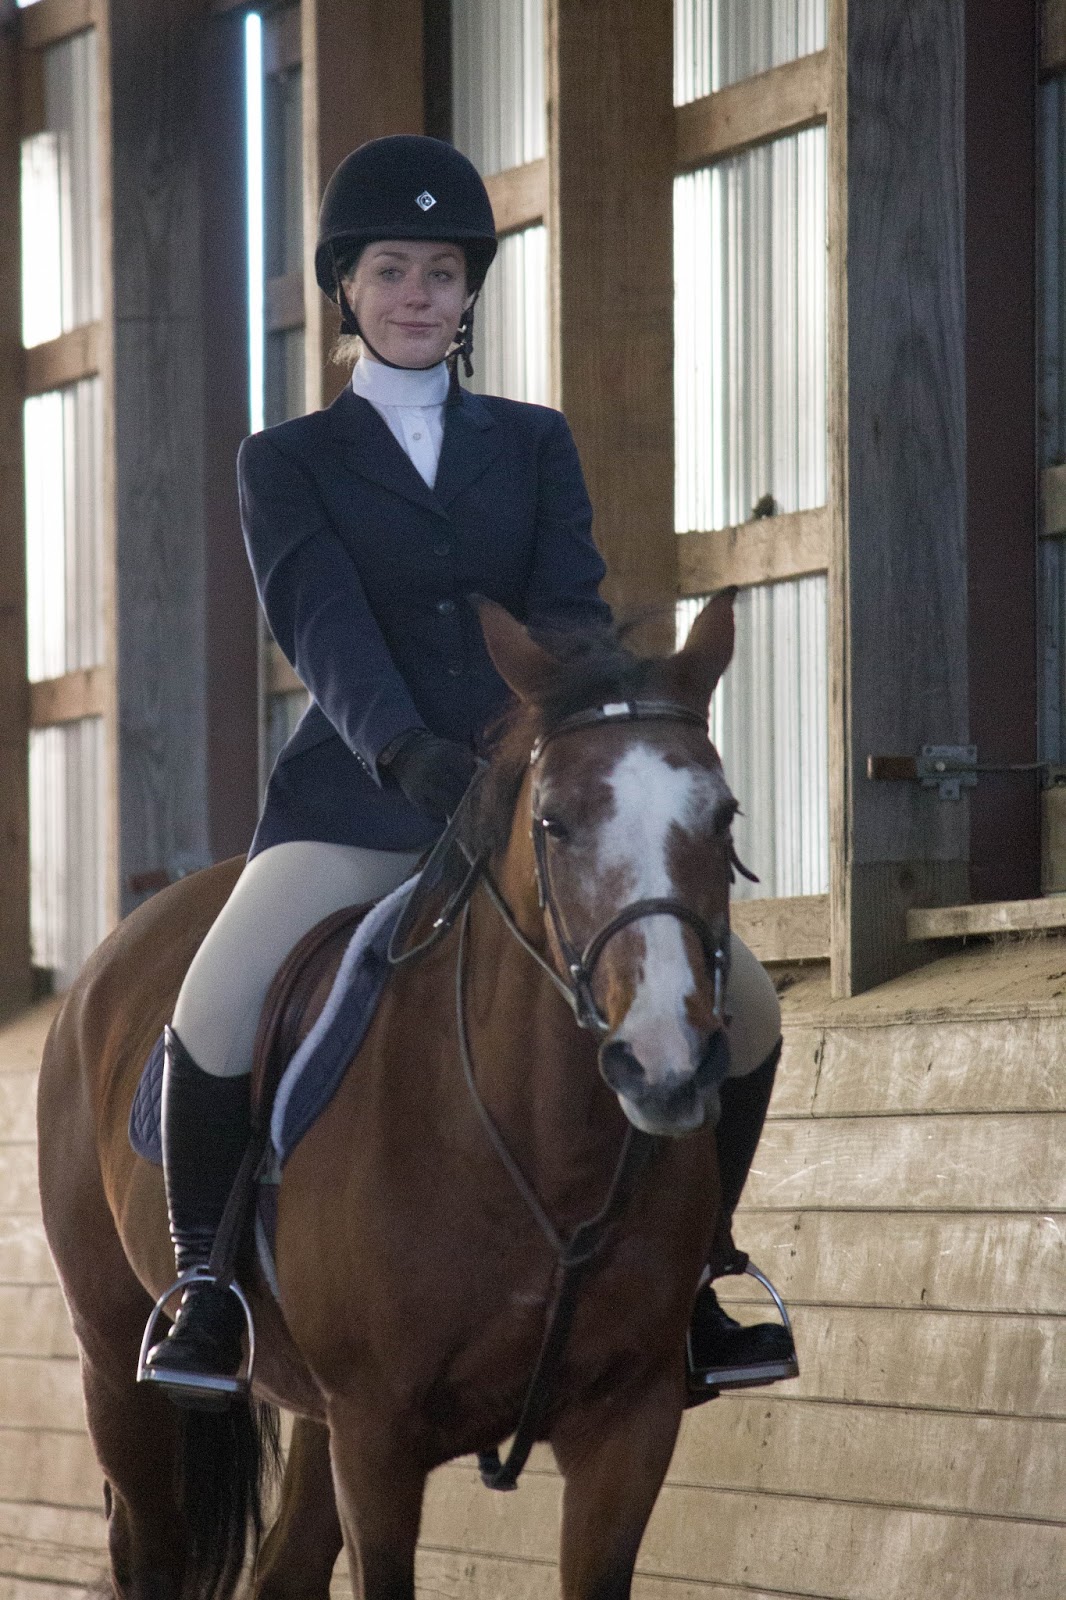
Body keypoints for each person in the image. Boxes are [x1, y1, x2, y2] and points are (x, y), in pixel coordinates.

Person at [140, 135, 794, 1404]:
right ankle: (205, 1285)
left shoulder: (533, 443)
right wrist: (404, 750)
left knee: (751, 1009)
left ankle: (703, 1270)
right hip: (360, 795)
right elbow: (320, 625)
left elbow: (569, 611)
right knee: (212, 1006)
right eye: (391, 271)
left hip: (527, 799)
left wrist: (560, 740)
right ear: (345, 287)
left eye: (441, 273)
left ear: (468, 292)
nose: (417, 295)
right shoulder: (286, 461)